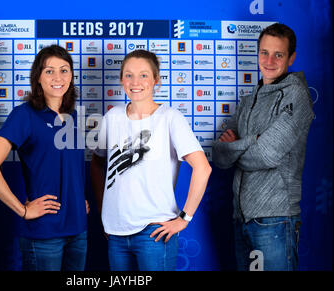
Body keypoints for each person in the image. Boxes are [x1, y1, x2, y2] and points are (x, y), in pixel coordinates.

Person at [90, 49, 212, 271]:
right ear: (121, 79)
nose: (135, 82)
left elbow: (203, 168)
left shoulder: (170, 118)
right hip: (115, 232)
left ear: (156, 79)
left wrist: (185, 218)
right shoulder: (112, 117)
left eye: (144, 75)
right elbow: (98, 164)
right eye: (129, 75)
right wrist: (103, 210)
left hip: (153, 231)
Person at [212, 23, 314, 271]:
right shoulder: (249, 100)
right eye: (264, 52)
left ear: (291, 57)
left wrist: (236, 147)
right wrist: (250, 141)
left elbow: (266, 155)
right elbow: (220, 157)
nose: (269, 60)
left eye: (278, 54)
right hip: (242, 218)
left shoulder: (296, 95)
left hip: (276, 220)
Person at [0, 45, 89, 271]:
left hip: (78, 230)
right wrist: (23, 210)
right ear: (37, 77)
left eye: (64, 70)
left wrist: (78, 198)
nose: (58, 77)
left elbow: (69, 168)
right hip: (44, 233)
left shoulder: (74, 115)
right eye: (49, 71)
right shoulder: (24, 115)